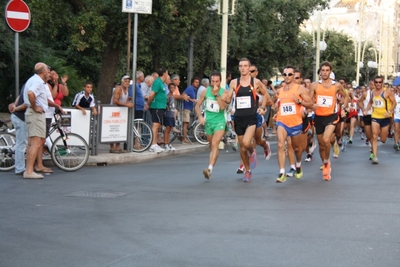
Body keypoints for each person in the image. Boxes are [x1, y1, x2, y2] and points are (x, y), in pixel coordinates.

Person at [227, 58, 268, 182]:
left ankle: (252, 151)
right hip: (238, 117)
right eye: (241, 66)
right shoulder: (234, 82)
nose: (243, 68)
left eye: (245, 66)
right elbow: (229, 99)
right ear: (239, 68)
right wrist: (224, 98)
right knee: (242, 147)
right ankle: (248, 171)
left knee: (246, 143)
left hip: (251, 117)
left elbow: (265, 94)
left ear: (249, 68)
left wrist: (262, 107)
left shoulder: (255, 82)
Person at [309, 62, 349, 181]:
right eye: (323, 70)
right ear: (320, 72)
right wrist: (311, 106)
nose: (325, 72)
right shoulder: (314, 85)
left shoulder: (336, 85)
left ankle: (326, 165)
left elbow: (346, 97)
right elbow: (309, 99)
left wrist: (344, 107)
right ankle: (326, 162)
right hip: (318, 117)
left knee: (327, 139)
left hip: (331, 116)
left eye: (327, 70)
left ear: (330, 72)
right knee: (322, 145)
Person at [275, 66, 314, 183]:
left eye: (290, 74)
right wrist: (274, 110)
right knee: (281, 145)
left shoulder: (299, 89)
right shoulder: (280, 90)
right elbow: (276, 103)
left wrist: (299, 101)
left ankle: (298, 165)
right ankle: (282, 172)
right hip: (282, 122)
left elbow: (311, 103)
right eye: (285, 74)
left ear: (293, 76)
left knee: (297, 148)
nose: (287, 77)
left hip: (296, 123)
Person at [195, 71, 228, 179]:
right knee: (212, 146)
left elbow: (223, 107)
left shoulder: (224, 93)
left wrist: (217, 94)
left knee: (215, 143)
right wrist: (200, 117)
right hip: (208, 122)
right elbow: (197, 105)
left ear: (220, 81)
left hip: (220, 122)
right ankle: (210, 167)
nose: (214, 84)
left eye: (217, 82)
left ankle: (209, 169)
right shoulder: (205, 91)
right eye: (213, 81)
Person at [23, 63, 52, 179]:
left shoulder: (32, 80)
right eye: (48, 70)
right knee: (36, 143)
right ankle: (29, 171)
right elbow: (31, 93)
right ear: (43, 72)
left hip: (31, 113)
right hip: (35, 114)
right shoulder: (38, 82)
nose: (49, 73)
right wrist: (35, 106)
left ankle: (28, 169)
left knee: (31, 143)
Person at [363, 75, 397, 164]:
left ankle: (381, 138)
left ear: (382, 83)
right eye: (376, 82)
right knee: (374, 135)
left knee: (383, 139)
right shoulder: (372, 92)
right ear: (374, 83)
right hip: (375, 116)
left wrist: (389, 111)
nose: (378, 84)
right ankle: (374, 156)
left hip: (385, 117)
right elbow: (371, 102)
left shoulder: (387, 92)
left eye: (380, 82)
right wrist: (366, 110)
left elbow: (394, 103)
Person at [109, 75, 134, 153]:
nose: (127, 83)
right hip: (113, 111)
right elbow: (115, 101)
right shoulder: (118, 89)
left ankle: (118, 147)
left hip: (120, 111)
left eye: (128, 81)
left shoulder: (127, 89)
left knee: (119, 128)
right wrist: (126, 105)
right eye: (125, 81)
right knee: (113, 129)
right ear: (122, 82)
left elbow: (124, 100)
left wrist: (128, 102)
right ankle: (112, 147)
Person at [8, 85, 28, 175]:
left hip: (18, 117)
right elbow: (25, 105)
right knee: (21, 144)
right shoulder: (34, 85)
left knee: (22, 143)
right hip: (21, 117)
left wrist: (15, 105)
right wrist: (15, 107)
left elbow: (20, 96)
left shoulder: (27, 84)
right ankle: (20, 168)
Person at [148, 67, 168, 153]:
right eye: (167, 73)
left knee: (158, 125)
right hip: (156, 106)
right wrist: (148, 104)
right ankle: (153, 144)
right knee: (155, 125)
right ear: (164, 74)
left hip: (161, 106)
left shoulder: (162, 83)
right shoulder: (157, 82)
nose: (167, 75)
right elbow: (152, 95)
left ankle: (155, 143)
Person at [181, 77, 200, 144]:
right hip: (186, 107)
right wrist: (192, 100)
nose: (197, 83)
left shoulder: (194, 89)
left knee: (187, 123)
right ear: (192, 82)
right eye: (196, 82)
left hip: (189, 108)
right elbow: (183, 95)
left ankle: (184, 136)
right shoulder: (190, 88)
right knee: (185, 123)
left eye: (198, 82)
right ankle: (184, 138)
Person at [163, 83, 178, 151]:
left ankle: (168, 143)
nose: (172, 89)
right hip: (168, 113)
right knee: (167, 128)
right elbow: (165, 103)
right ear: (169, 88)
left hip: (172, 113)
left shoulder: (173, 96)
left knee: (169, 129)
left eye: (173, 87)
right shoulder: (168, 96)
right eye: (171, 87)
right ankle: (166, 143)